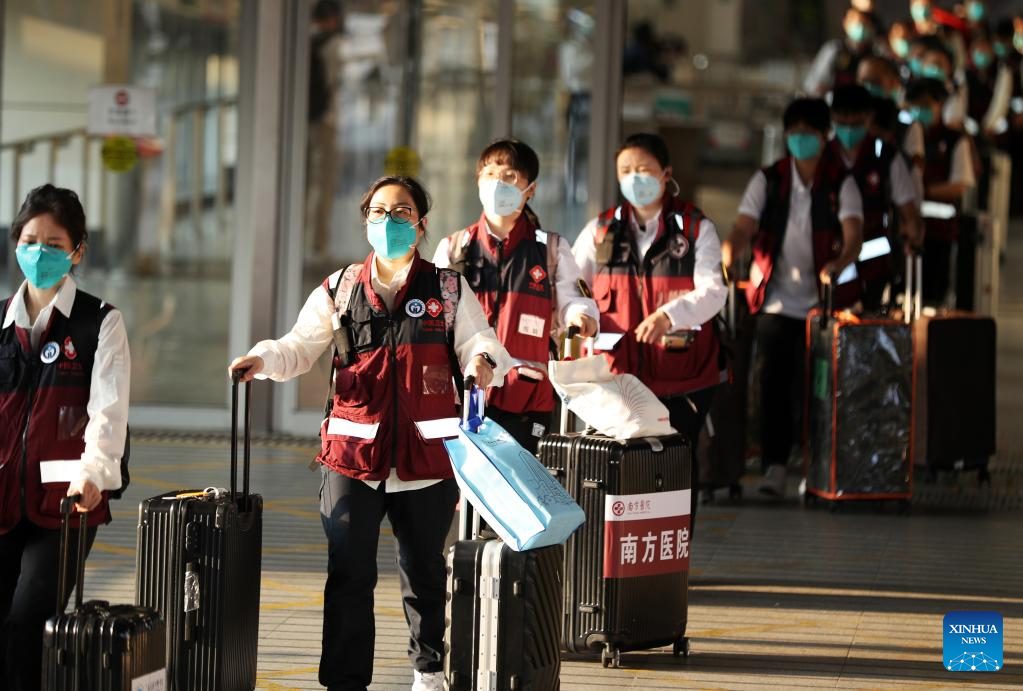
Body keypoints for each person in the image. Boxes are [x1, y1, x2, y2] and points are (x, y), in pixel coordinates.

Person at [229, 176, 510, 691]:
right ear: (365, 222)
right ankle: (345, 681)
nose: (389, 221)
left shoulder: (447, 288)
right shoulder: (339, 289)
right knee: (349, 573)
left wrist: (481, 365)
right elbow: (298, 347)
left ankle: (428, 670)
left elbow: (481, 342)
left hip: (426, 459)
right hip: (352, 457)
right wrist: (262, 359)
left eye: (401, 212)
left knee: (424, 572)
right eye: (378, 212)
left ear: (421, 225)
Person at [0, 185, 130, 691]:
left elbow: (108, 412)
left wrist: (94, 474)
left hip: (66, 504)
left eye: (54, 244)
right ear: (15, 244)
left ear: (77, 252)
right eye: (30, 241)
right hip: (3, 497)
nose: (40, 253)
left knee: (28, 619)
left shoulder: (100, 322)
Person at [573, 133, 726, 509]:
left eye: (643, 169)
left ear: (666, 174)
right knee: (621, 472)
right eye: (626, 171)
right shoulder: (601, 231)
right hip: (618, 377)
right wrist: (581, 317)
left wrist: (669, 315)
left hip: (683, 377)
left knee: (675, 472)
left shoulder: (695, 229)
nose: (634, 178)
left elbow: (713, 291)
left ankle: (674, 545)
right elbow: (573, 288)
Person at [723, 99, 864, 498]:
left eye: (809, 133)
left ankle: (818, 466)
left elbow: (853, 236)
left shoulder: (840, 184)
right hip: (776, 303)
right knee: (773, 384)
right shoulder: (769, 180)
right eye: (795, 132)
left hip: (823, 307)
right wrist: (731, 252)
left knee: (820, 388)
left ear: (824, 137)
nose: (801, 139)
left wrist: (838, 263)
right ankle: (775, 466)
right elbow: (743, 227)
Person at [432, 139, 598, 453]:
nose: (498, 184)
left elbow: (572, 297)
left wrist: (580, 315)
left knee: (519, 479)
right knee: (461, 482)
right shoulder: (454, 248)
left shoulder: (550, 248)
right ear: (478, 182)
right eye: (490, 174)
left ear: (530, 189)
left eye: (510, 176)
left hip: (526, 395)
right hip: (464, 391)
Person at [826, 84, 922, 311]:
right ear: (833, 118)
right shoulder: (822, 156)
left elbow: (909, 213)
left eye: (856, 122)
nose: (849, 128)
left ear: (869, 118)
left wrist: (913, 236)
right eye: (843, 121)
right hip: (828, 261)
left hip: (874, 269)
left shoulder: (885, 157)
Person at [904, 78, 976, 305]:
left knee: (933, 297)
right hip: (905, 231)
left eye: (926, 104)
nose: (920, 110)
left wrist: (920, 191)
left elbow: (960, 184)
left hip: (939, 233)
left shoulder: (953, 140)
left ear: (940, 104)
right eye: (915, 104)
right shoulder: (902, 134)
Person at [803, 6, 882, 96]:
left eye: (865, 23)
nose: (861, 27)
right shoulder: (834, 50)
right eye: (856, 22)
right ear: (845, 23)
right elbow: (815, 85)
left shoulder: (876, 55)